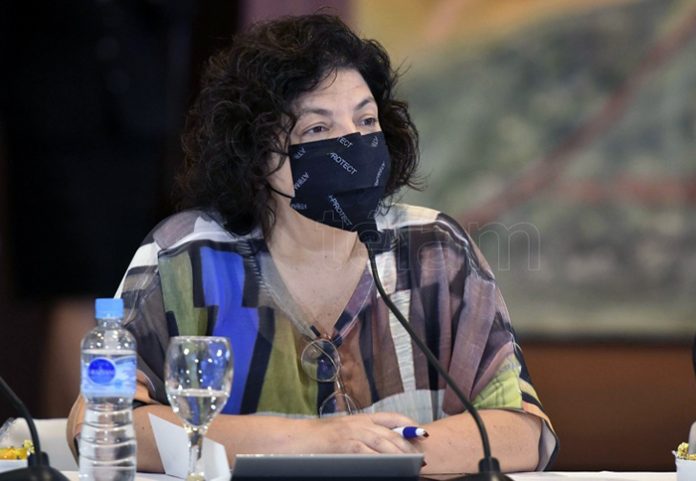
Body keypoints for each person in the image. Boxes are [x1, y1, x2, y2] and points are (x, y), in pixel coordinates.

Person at [67, 14, 558, 474]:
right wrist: (312, 442)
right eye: (319, 128)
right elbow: (96, 426)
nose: (353, 143)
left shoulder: (436, 249)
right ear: (256, 153)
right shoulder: (186, 258)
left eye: (366, 122)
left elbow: (523, 432)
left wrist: (380, 454)